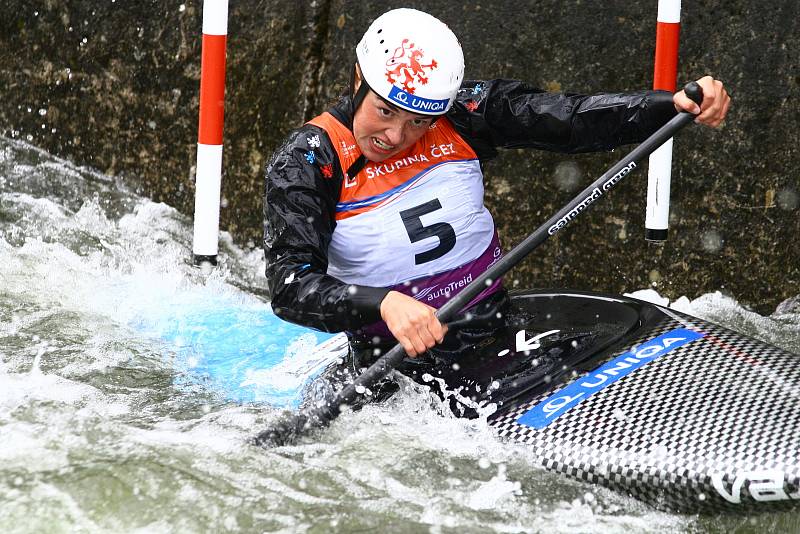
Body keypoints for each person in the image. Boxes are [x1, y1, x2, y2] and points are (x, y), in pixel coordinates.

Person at [262, 8, 730, 389]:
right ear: (357, 77)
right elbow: (290, 287)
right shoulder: (307, 161)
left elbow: (566, 118)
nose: (396, 136)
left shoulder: (460, 112)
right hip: (396, 365)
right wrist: (383, 303)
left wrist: (668, 105)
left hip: (495, 326)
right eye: (384, 112)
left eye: (417, 122)